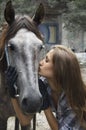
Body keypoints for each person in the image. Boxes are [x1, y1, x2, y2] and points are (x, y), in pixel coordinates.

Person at [5, 45, 86, 130]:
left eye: (46, 60)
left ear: (59, 69)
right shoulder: (45, 85)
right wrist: (12, 92)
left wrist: (46, 106)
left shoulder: (73, 98)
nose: (40, 63)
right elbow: (25, 121)